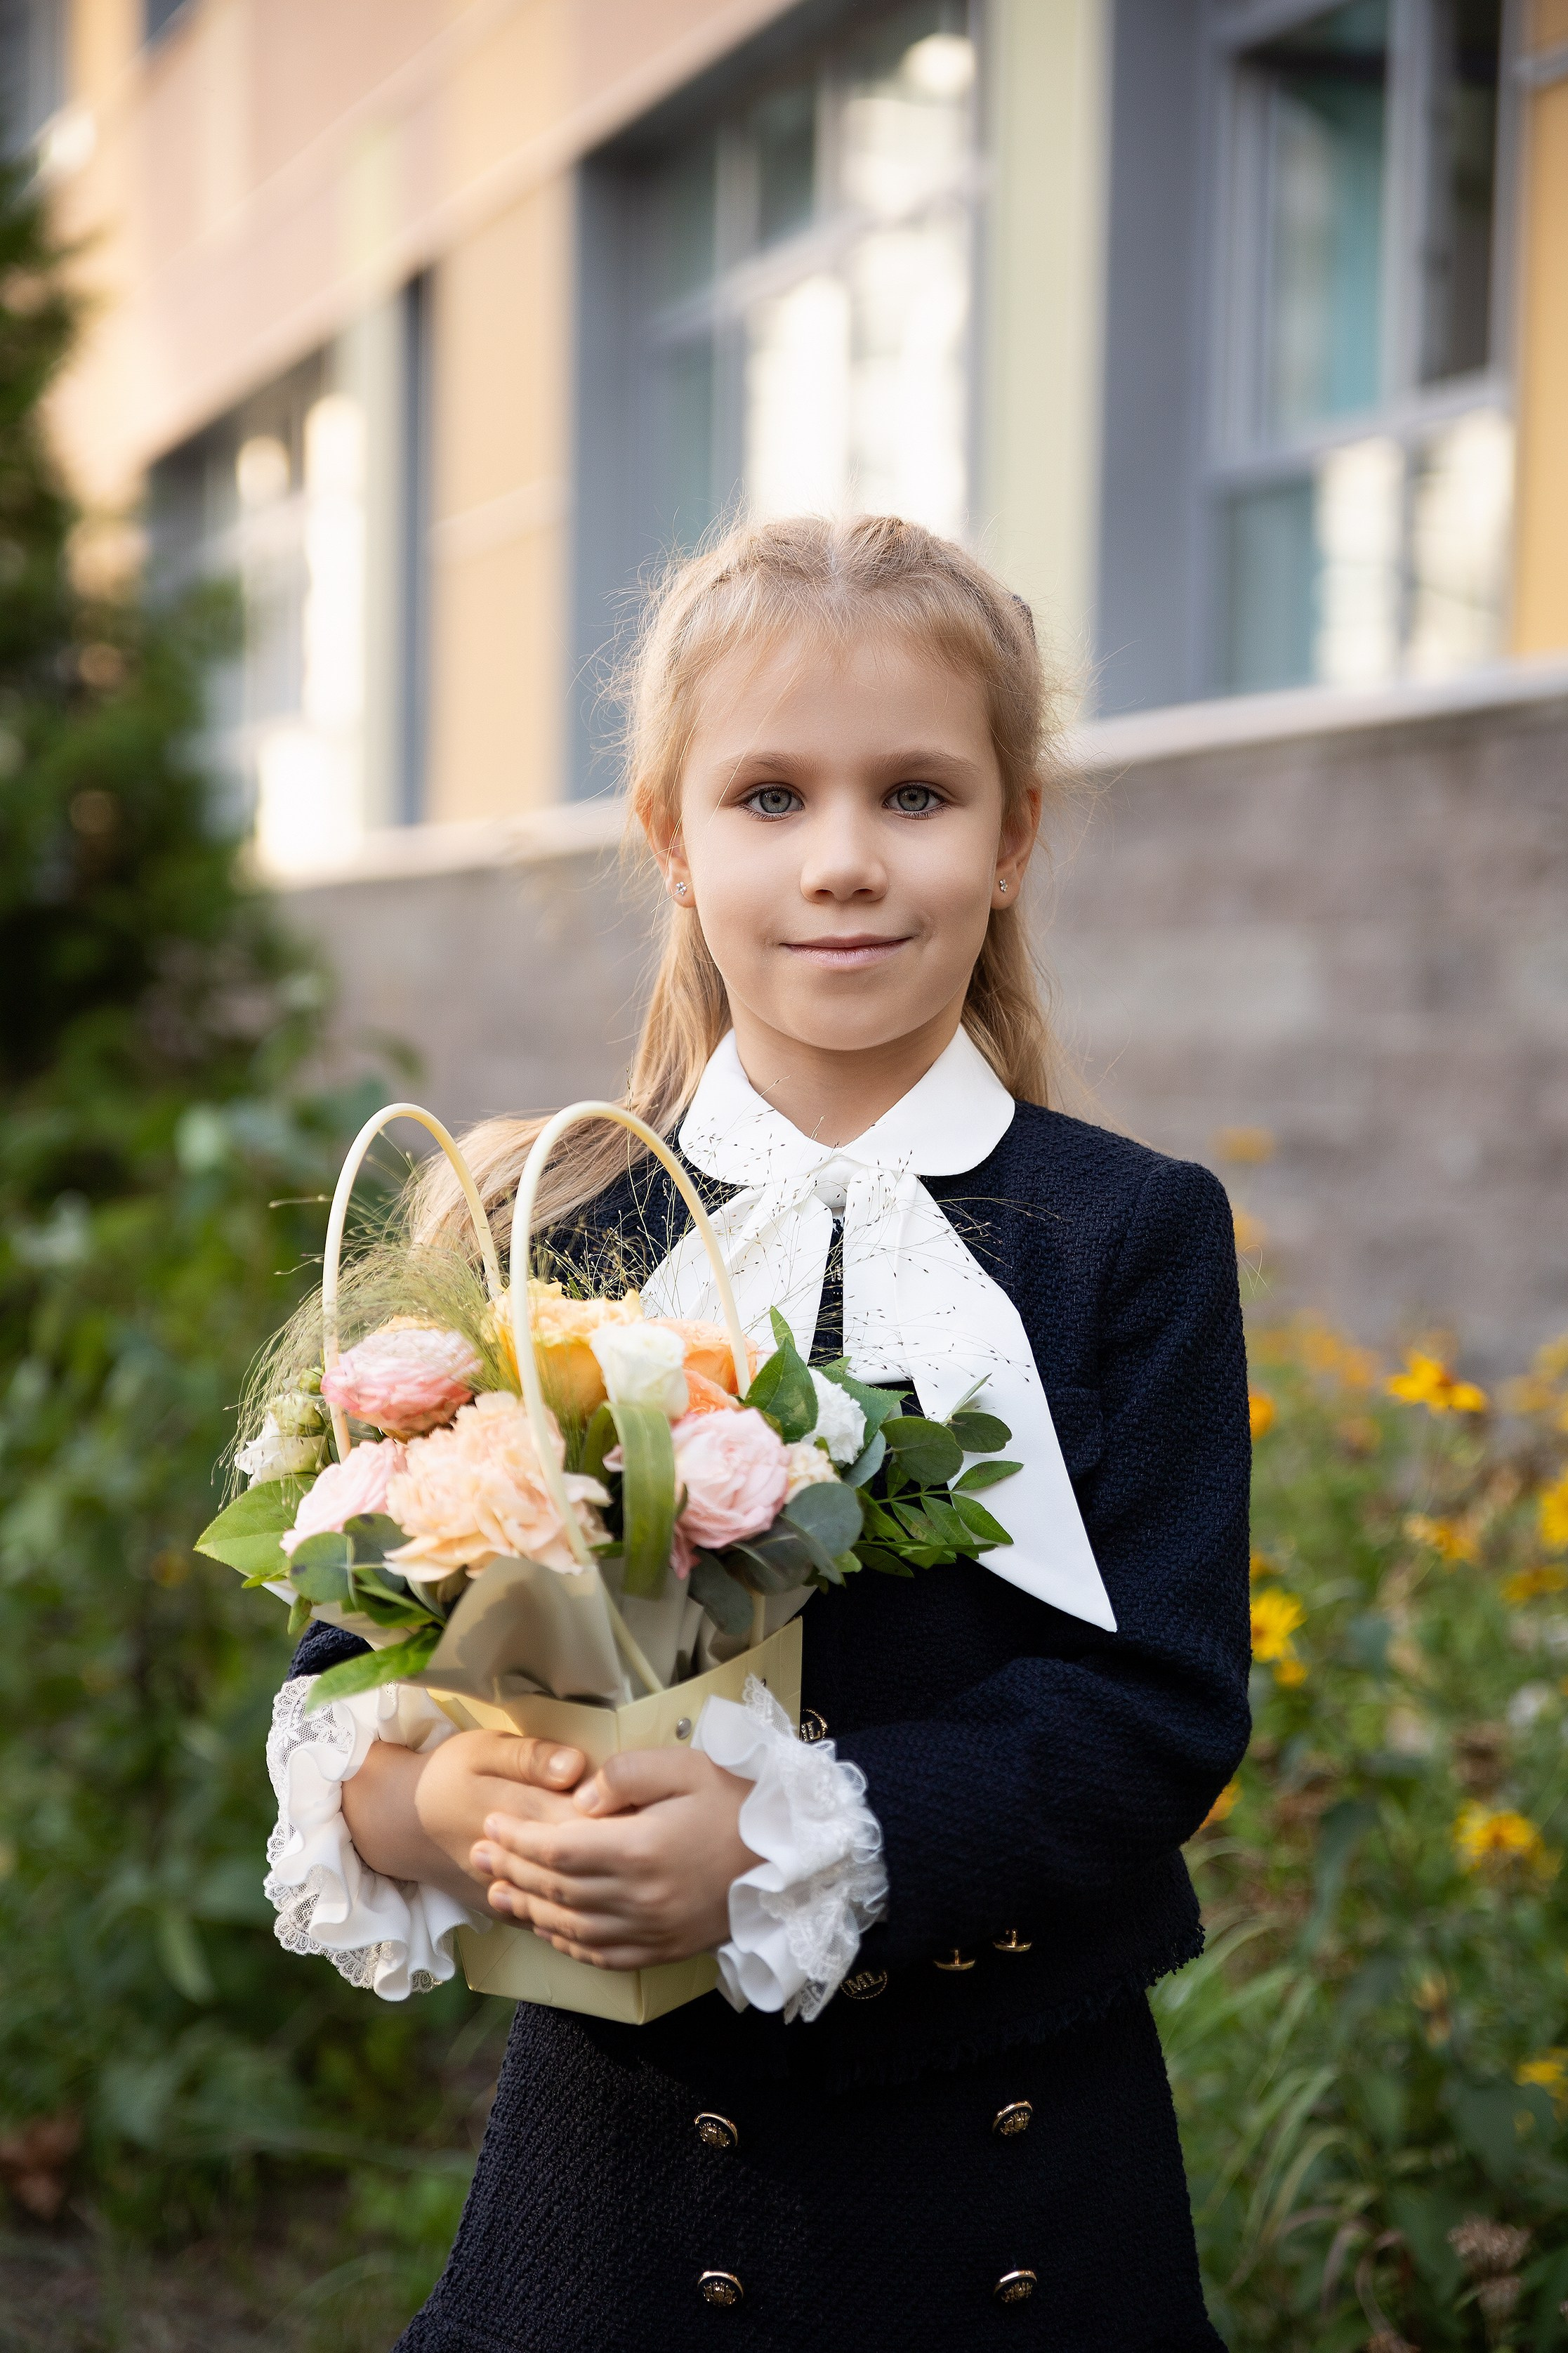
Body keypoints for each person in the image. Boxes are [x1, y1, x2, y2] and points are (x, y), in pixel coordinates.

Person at [265, 515, 1251, 2351]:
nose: (848, 863)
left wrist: (779, 1836)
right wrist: (442, 1804)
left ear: (1014, 831)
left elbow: (1159, 1712)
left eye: (917, 795)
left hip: (1014, 2177)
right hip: (619, 2186)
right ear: (672, 836)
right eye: (773, 798)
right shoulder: (564, 1220)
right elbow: (362, 1673)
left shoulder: (1129, 1232)